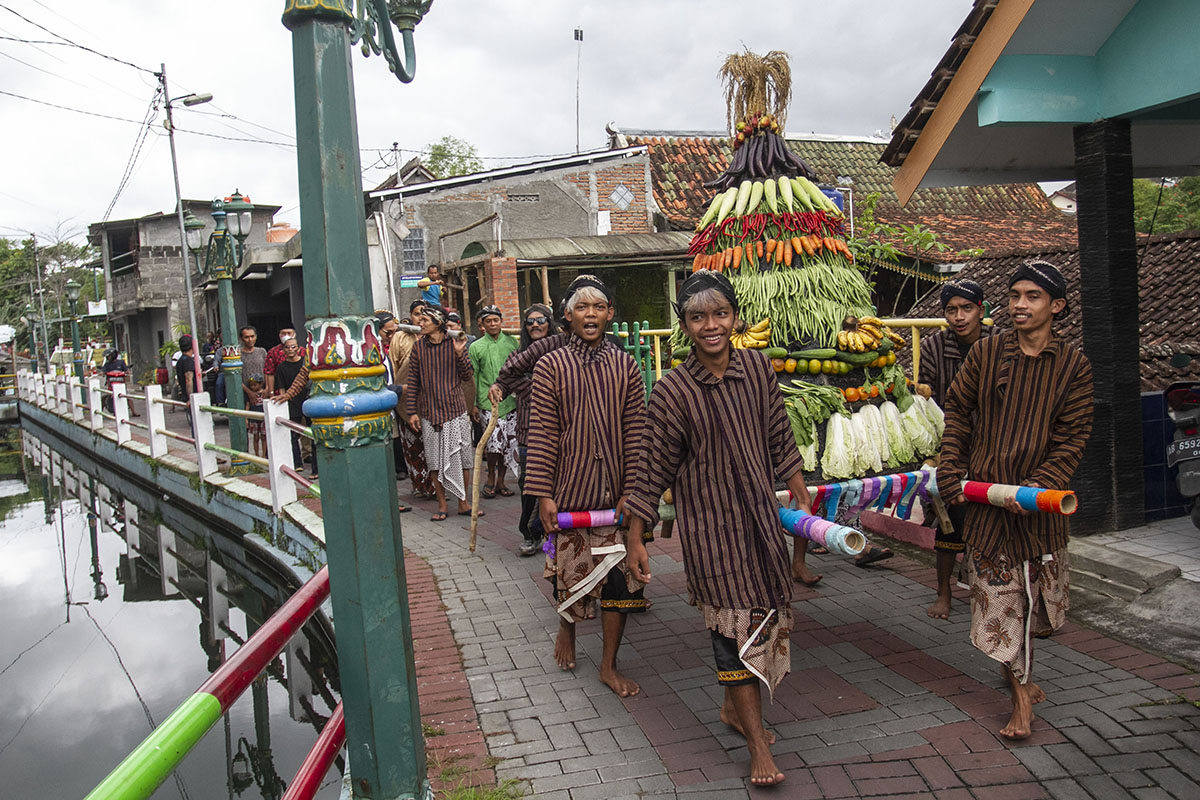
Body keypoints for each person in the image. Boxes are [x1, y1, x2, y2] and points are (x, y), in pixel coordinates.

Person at [625, 271, 812, 787]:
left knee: (765, 617)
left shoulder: (756, 367)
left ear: (735, 316)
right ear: (684, 325)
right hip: (712, 532)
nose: (711, 325)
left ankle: (734, 711)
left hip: (762, 523)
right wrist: (636, 536)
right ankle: (756, 745)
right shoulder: (673, 391)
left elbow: (777, 429)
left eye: (720, 314)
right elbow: (651, 466)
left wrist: (796, 484)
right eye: (698, 317)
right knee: (730, 631)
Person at [936, 260, 1093, 741]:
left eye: (1032, 297)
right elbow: (959, 412)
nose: (1020, 305)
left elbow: (1073, 437)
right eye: (1015, 296)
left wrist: (1037, 487)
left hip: (1039, 510)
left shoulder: (1073, 366)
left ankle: (1022, 678)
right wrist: (949, 467)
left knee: (1035, 606)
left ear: (1057, 306)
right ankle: (1021, 697)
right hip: (986, 504)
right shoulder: (985, 353)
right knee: (1001, 604)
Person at [524, 275, 647, 696]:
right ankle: (567, 627)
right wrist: (543, 494)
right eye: (582, 307)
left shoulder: (625, 364)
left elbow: (636, 429)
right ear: (567, 316)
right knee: (571, 570)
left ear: (610, 314)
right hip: (569, 488)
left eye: (599, 306)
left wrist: (633, 487)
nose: (590, 314)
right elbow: (540, 432)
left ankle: (609, 665)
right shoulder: (550, 366)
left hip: (615, 491)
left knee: (618, 583)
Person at [920, 279, 993, 620]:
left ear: (981, 309)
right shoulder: (935, 345)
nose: (960, 316)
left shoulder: (1000, 343)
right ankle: (944, 592)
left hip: (994, 441)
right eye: (952, 310)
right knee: (950, 521)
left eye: (967, 308)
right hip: (952, 439)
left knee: (994, 522)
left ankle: (992, 593)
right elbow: (929, 394)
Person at [490, 302, 555, 555]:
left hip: (561, 430)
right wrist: (499, 388)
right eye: (530, 322)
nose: (536, 325)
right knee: (530, 485)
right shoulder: (517, 356)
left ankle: (555, 532)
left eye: (541, 320)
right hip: (529, 431)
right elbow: (503, 381)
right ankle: (530, 533)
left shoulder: (562, 351)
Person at [405, 304, 479, 521]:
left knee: (464, 458)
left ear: (437, 322)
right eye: (420, 319)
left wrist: (459, 353)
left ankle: (463, 503)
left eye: (425, 320)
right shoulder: (418, 348)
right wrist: (412, 412)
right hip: (430, 413)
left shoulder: (455, 343)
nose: (420, 322)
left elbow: (467, 376)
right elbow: (413, 381)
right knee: (435, 462)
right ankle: (442, 504)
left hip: (456, 410)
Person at [468, 305, 520, 499]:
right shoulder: (476, 346)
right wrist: (473, 404)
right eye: (488, 321)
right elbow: (474, 376)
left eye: (495, 320)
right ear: (482, 324)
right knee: (492, 443)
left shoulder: (512, 343)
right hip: (487, 402)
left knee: (508, 442)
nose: (492, 324)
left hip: (510, 401)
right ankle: (489, 477)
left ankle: (501, 481)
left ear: (501, 321)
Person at [393, 302, 436, 498]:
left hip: (432, 401)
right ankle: (420, 486)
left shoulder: (434, 337)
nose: (420, 318)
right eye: (417, 314)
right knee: (413, 447)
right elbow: (394, 369)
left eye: (424, 315)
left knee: (433, 447)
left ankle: (436, 486)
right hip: (406, 399)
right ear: (410, 316)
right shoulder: (401, 337)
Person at [271, 338, 309, 470]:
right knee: (293, 434)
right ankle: (297, 463)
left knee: (312, 434)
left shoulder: (306, 359)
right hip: (293, 403)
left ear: (299, 348)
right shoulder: (282, 367)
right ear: (283, 350)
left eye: (294, 347)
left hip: (310, 400)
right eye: (288, 347)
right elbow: (300, 380)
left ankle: (316, 468)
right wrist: (285, 397)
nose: (291, 350)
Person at [263, 326, 298, 396]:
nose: (286, 336)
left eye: (289, 333)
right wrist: (271, 392)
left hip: (298, 388)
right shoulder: (273, 352)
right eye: (283, 333)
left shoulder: (302, 351)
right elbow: (270, 373)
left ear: (294, 334)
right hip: (280, 391)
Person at [239, 326, 267, 409]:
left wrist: (268, 388)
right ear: (241, 338)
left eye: (252, 336)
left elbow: (268, 370)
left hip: (262, 391)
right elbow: (237, 377)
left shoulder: (262, 351)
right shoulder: (238, 354)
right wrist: (249, 392)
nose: (250, 340)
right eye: (246, 337)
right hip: (244, 392)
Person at [245, 377, 266, 457]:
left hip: (263, 418)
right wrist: (246, 418)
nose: (253, 387)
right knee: (255, 437)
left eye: (255, 385)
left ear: (261, 384)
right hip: (253, 419)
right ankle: (256, 454)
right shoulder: (250, 395)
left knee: (264, 437)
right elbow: (247, 406)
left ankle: (264, 454)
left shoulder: (264, 393)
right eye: (251, 385)